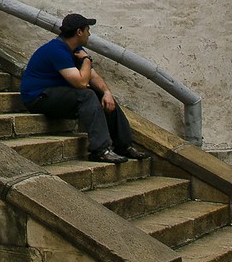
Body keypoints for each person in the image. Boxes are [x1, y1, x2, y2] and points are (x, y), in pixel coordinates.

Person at [20, 12, 143, 165]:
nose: (89, 34)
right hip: (37, 98)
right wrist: (86, 59)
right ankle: (101, 150)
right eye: (87, 30)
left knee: (101, 95)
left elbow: (92, 76)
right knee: (87, 95)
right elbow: (81, 83)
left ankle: (124, 146)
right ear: (79, 32)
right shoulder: (57, 50)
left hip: (56, 95)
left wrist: (107, 92)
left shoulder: (75, 50)